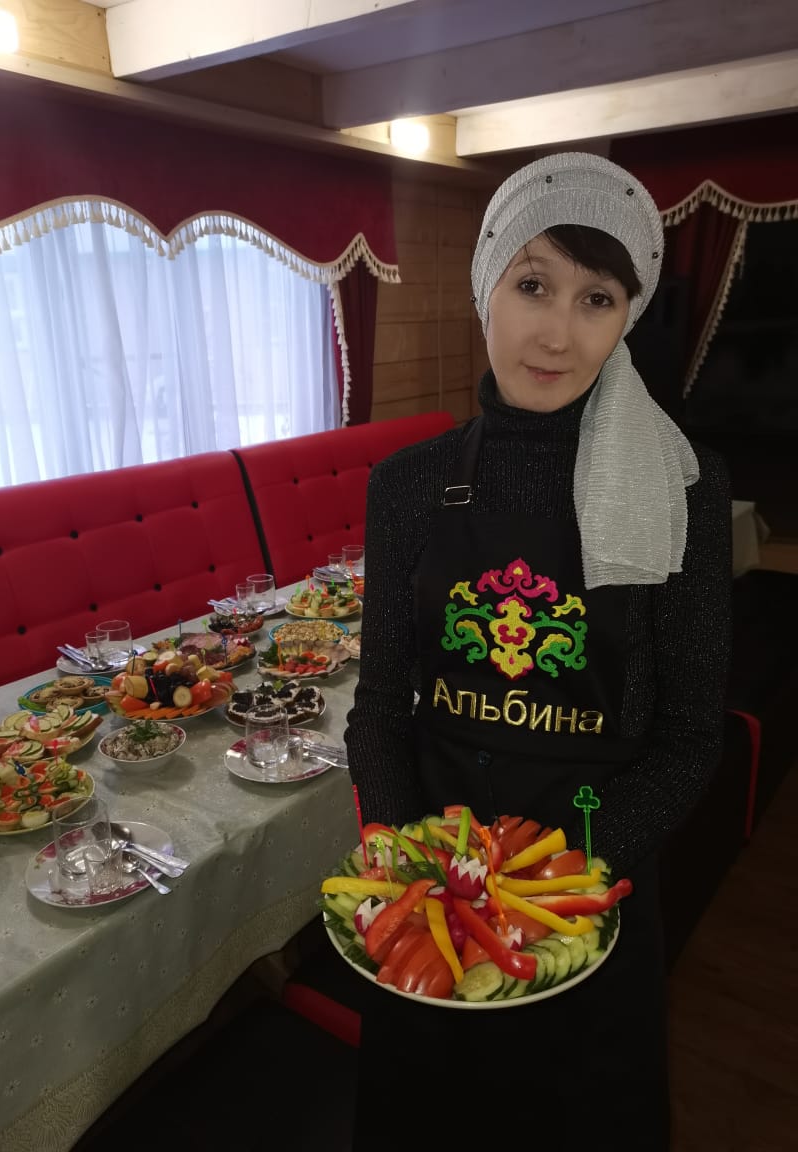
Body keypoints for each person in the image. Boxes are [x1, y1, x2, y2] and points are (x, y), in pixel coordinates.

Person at [343, 152, 732, 1147]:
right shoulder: (407, 485)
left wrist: (556, 885)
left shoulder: (683, 489)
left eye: (597, 298)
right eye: (533, 285)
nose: (558, 332)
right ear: (487, 286)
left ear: (626, 317)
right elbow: (380, 710)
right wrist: (413, 868)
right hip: (432, 899)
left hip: (587, 898)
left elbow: (691, 736)